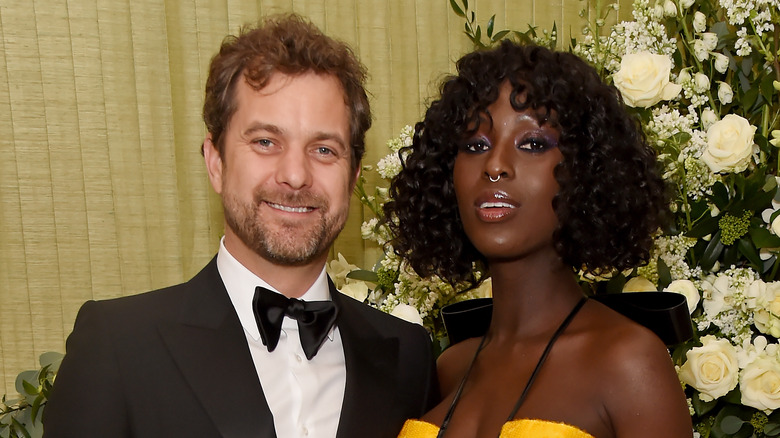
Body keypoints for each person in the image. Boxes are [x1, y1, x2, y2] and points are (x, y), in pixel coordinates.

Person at [43, 13, 437, 438]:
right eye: (266, 142)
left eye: (324, 149)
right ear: (215, 162)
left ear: (354, 175)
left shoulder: (408, 356)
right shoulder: (119, 345)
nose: (295, 175)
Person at [384, 41, 692, 438]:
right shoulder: (449, 367)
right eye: (475, 145)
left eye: (532, 144)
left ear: (587, 172)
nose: (494, 165)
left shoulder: (628, 361)